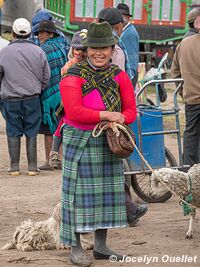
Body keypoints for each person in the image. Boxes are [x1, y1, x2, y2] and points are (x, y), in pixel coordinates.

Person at [60, 21, 140, 266]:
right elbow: (74, 112)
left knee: (106, 196)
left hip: (108, 142)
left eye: (104, 47)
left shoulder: (120, 76)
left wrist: (121, 119)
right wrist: (107, 116)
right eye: (94, 47)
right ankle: (75, 247)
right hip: (80, 141)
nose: (99, 52)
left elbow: (131, 110)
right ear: (86, 49)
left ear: (112, 48)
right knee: (76, 197)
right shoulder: (72, 76)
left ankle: (101, 246)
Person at [0, 18, 50, 176]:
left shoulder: (4, 52)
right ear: (29, 33)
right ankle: (32, 167)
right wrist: (38, 89)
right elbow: (46, 77)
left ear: (13, 33)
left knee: (13, 130)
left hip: (11, 99)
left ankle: (14, 167)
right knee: (32, 130)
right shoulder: (39, 51)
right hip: (32, 98)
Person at [49, 30, 87, 170]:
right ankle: (54, 152)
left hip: (83, 102)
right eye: (76, 48)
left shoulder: (89, 66)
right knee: (62, 123)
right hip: (70, 101)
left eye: (83, 49)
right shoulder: (70, 64)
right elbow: (64, 76)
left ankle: (56, 151)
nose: (79, 52)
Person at [34, 20, 66, 171]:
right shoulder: (59, 47)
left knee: (48, 128)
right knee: (59, 127)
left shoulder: (44, 49)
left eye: (42, 32)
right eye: (39, 33)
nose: (39, 35)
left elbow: (42, 73)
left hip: (49, 95)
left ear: (50, 34)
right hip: (61, 92)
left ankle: (49, 160)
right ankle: (59, 158)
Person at [171, 15, 200, 166]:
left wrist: (183, 91)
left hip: (191, 98)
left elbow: (175, 71)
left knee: (190, 133)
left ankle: (188, 170)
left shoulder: (184, 44)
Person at [117, 3, 139, 88]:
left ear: (128, 18)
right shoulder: (124, 31)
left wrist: (129, 78)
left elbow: (132, 58)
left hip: (129, 77)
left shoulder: (130, 34)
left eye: (123, 16)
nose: (121, 19)